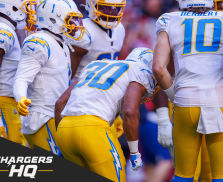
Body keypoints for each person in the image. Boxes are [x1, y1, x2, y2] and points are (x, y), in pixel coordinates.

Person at [153, 0, 223, 182]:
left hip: (185, 102)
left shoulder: (168, 20)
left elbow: (159, 68)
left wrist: (174, 95)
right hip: (220, 102)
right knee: (221, 176)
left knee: (183, 176)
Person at [55, 47, 157, 182]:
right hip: (92, 130)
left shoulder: (95, 65)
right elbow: (129, 112)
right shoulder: (138, 71)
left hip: (64, 130)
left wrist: (61, 140)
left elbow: (60, 103)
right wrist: (134, 152)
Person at [13, 0, 84, 154]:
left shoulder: (62, 43)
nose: (74, 24)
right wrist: (21, 98)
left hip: (55, 115)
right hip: (42, 118)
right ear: (53, 20)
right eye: (70, 20)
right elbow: (22, 78)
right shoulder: (40, 42)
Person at [0, 0, 38, 144]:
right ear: (13, 8)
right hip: (1, 105)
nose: (31, 13)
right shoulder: (3, 33)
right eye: (27, 7)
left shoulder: (1, 30)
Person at [69, 0, 126, 80]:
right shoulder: (83, 33)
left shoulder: (120, 29)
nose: (111, 13)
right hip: (80, 92)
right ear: (92, 4)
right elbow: (67, 78)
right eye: (105, 8)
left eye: (116, 8)